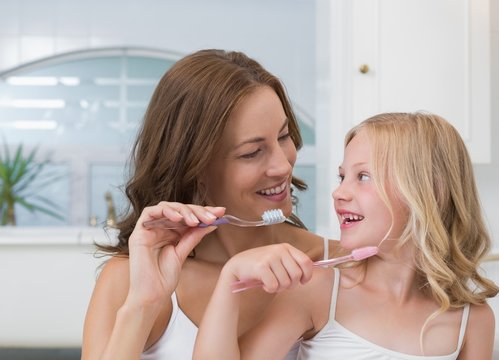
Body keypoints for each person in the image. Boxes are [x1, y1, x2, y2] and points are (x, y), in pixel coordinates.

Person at [81, 49, 334, 360]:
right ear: (195, 167)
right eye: (252, 152)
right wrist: (144, 303)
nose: (282, 166)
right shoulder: (131, 279)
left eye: (283, 136)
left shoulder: (334, 264)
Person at [193, 112, 499, 359]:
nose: (339, 192)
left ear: (429, 192)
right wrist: (229, 279)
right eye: (342, 176)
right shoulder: (317, 290)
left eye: (363, 176)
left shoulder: (472, 321)